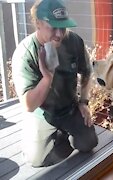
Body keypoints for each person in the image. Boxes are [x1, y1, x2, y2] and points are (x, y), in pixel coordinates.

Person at [12, 0, 98, 167]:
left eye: (63, 27)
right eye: (53, 27)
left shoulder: (74, 41)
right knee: (35, 161)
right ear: (37, 23)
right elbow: (29, 105)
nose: (59, 34)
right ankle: (40, 138)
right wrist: (47, 78)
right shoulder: (25, 53)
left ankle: (62, 135)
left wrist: (83, 102)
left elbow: (87, 72)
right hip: (42, 113)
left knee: (88, 143)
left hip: (69, 108)